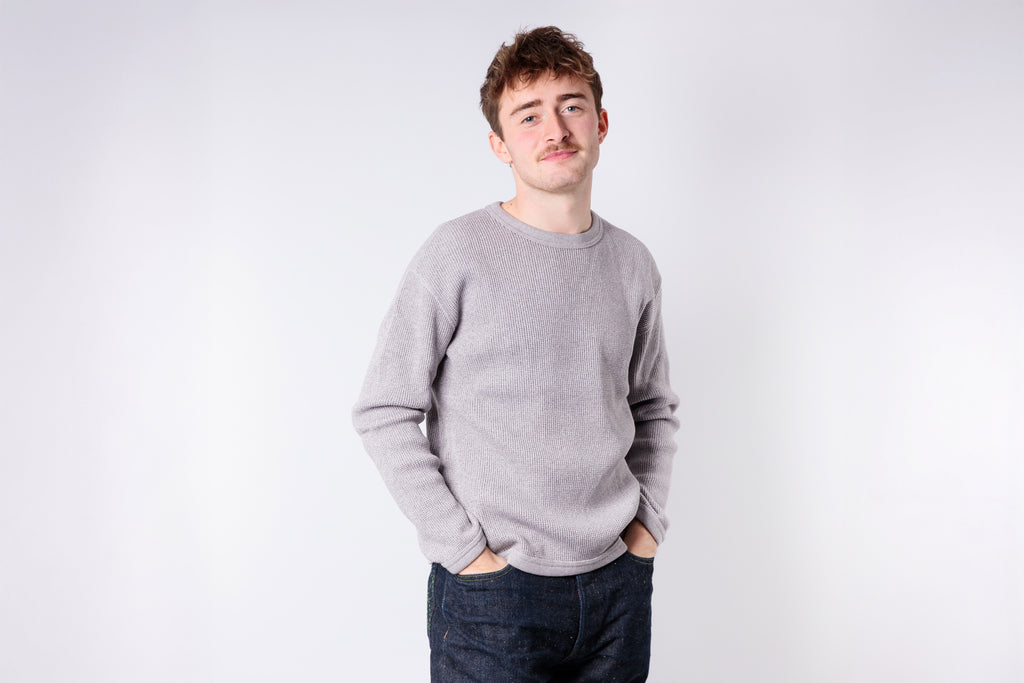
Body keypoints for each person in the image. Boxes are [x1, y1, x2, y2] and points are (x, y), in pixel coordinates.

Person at [352, 26, 679, 682]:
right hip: (492, 593)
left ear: (601, 122)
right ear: (500, 143)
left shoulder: (633, 263)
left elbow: (653, 408)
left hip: (616, 584)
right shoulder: (457, 253)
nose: (554, 127)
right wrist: (465, 551)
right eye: (529, 115)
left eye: (571, 104)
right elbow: (384, 410)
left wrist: (644, 532)